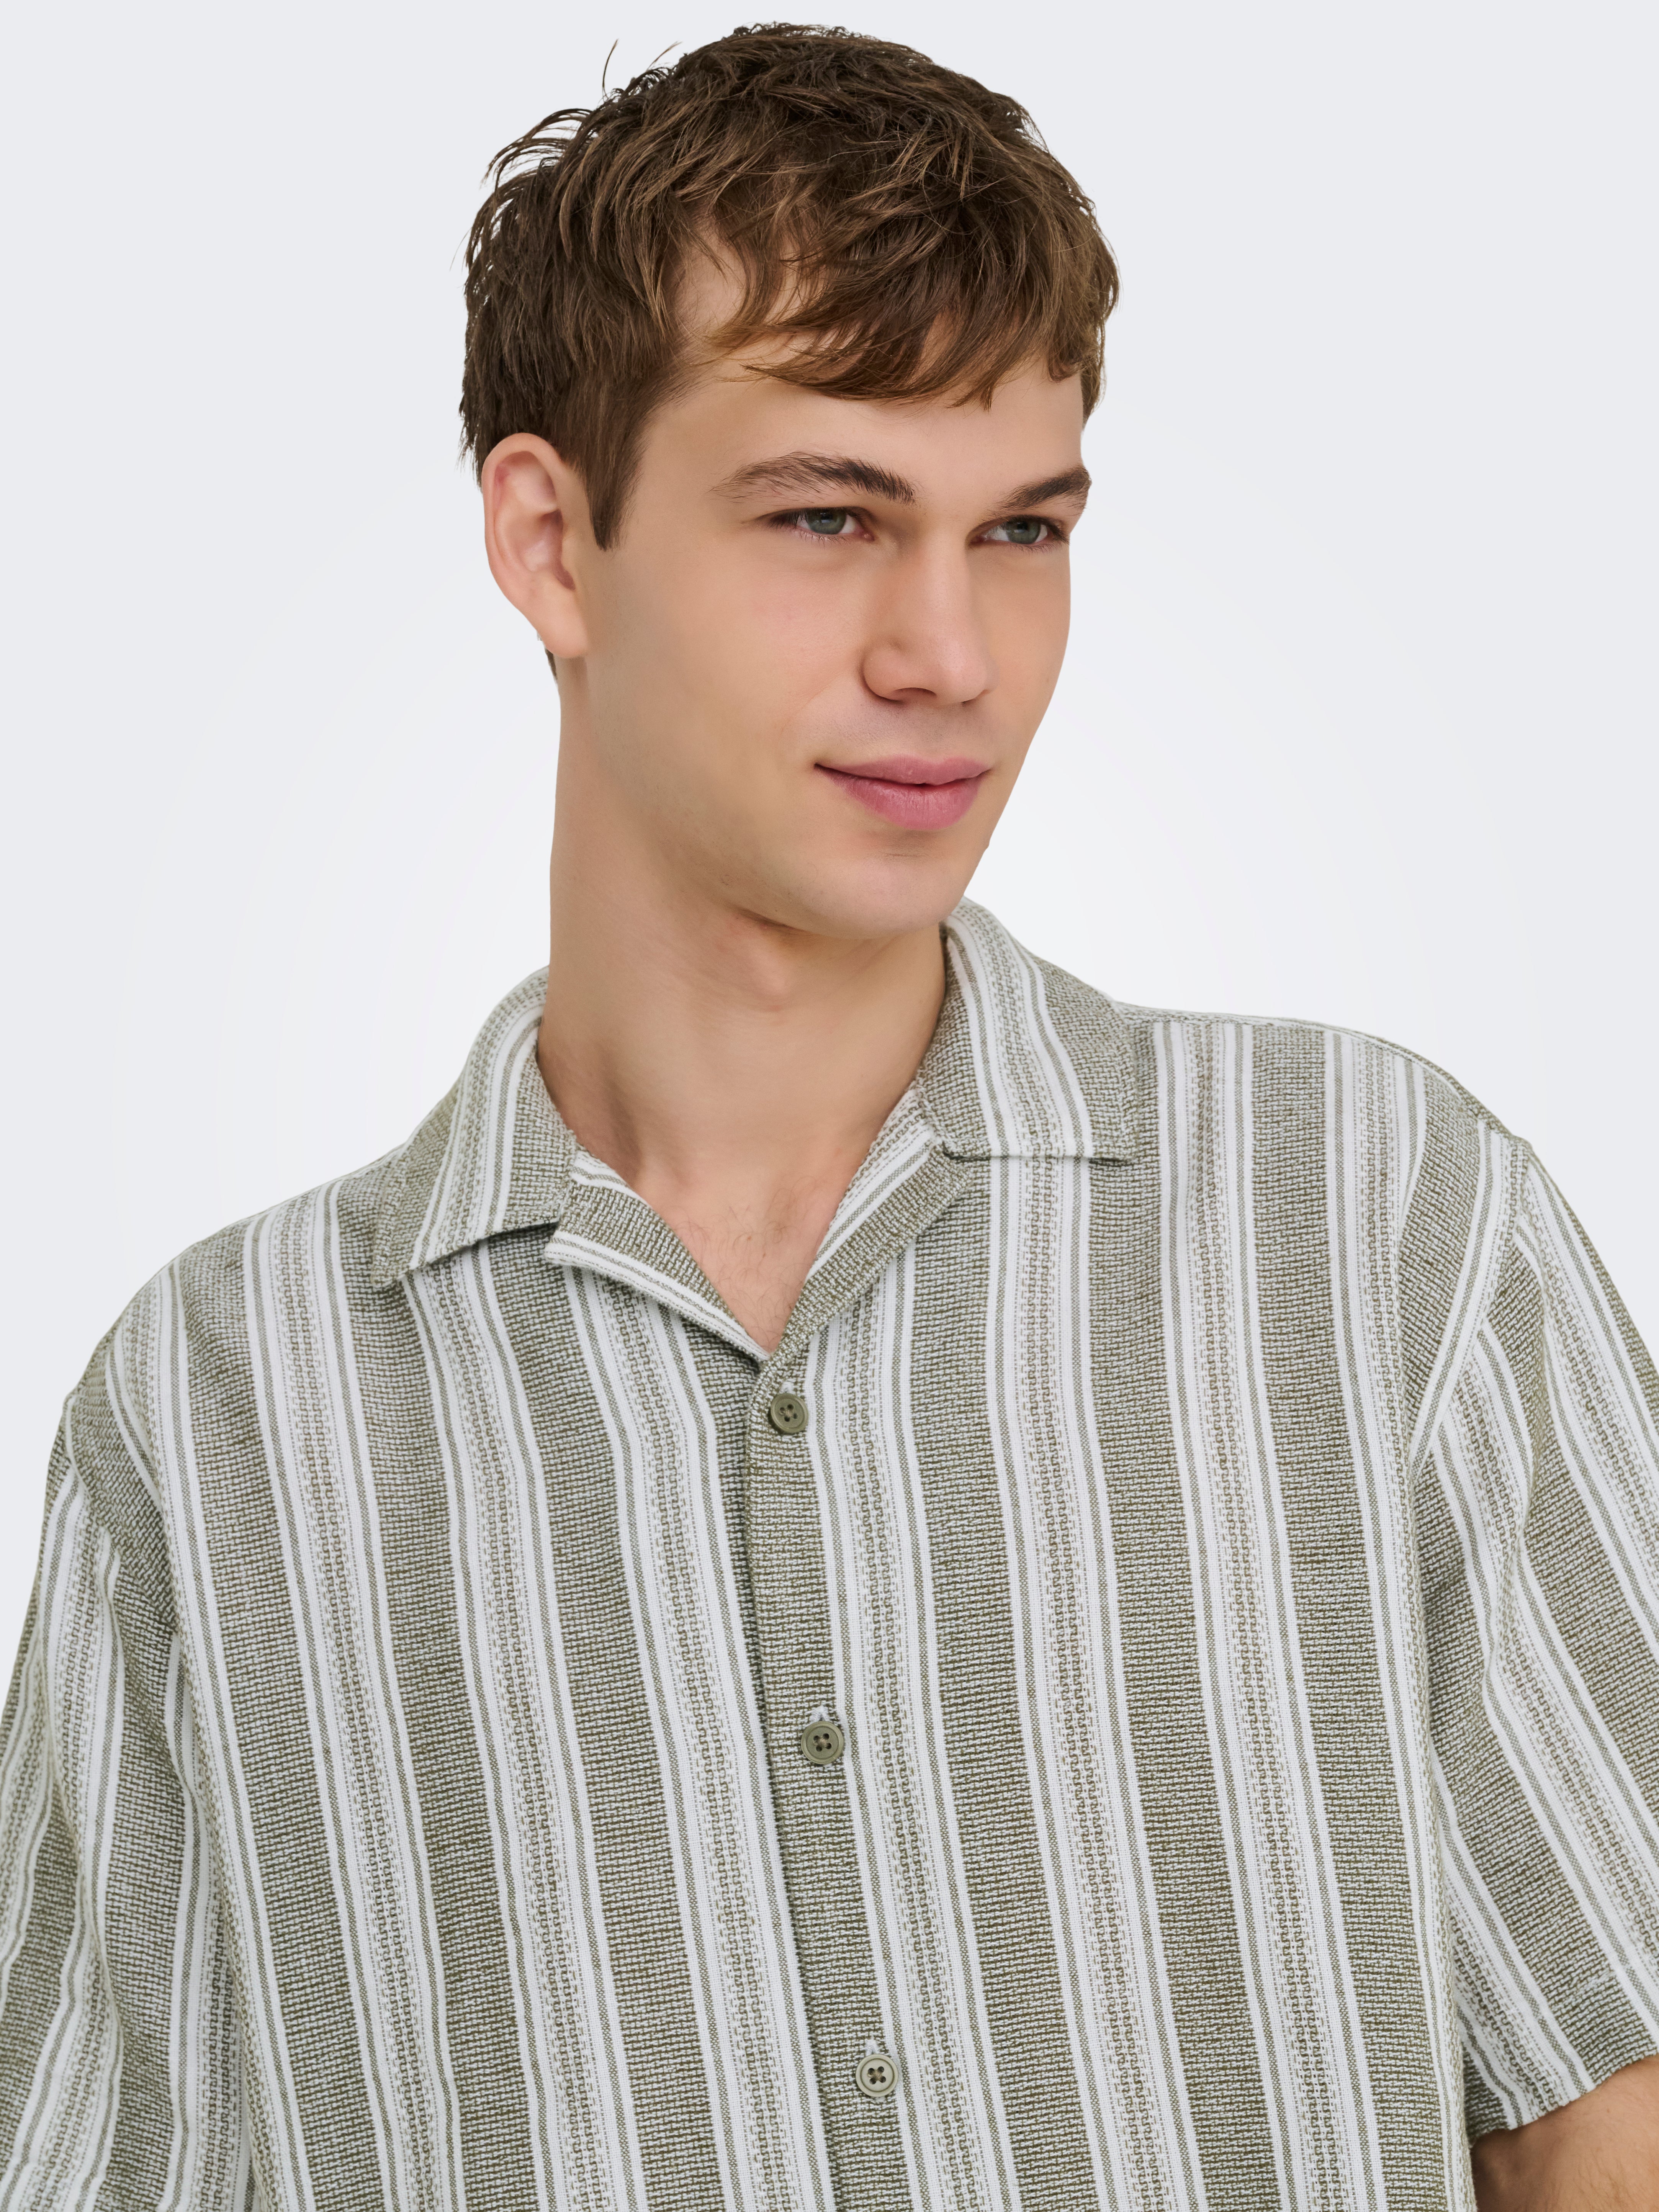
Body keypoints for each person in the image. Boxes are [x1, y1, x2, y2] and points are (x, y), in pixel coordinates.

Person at [3, 23, 1657, 2210]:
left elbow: (1613, 2115)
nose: (950, 652)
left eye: (1023, 528)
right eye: (828, 517)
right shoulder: (220, 1419)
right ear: (551, 541)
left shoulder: (1375, 1226)